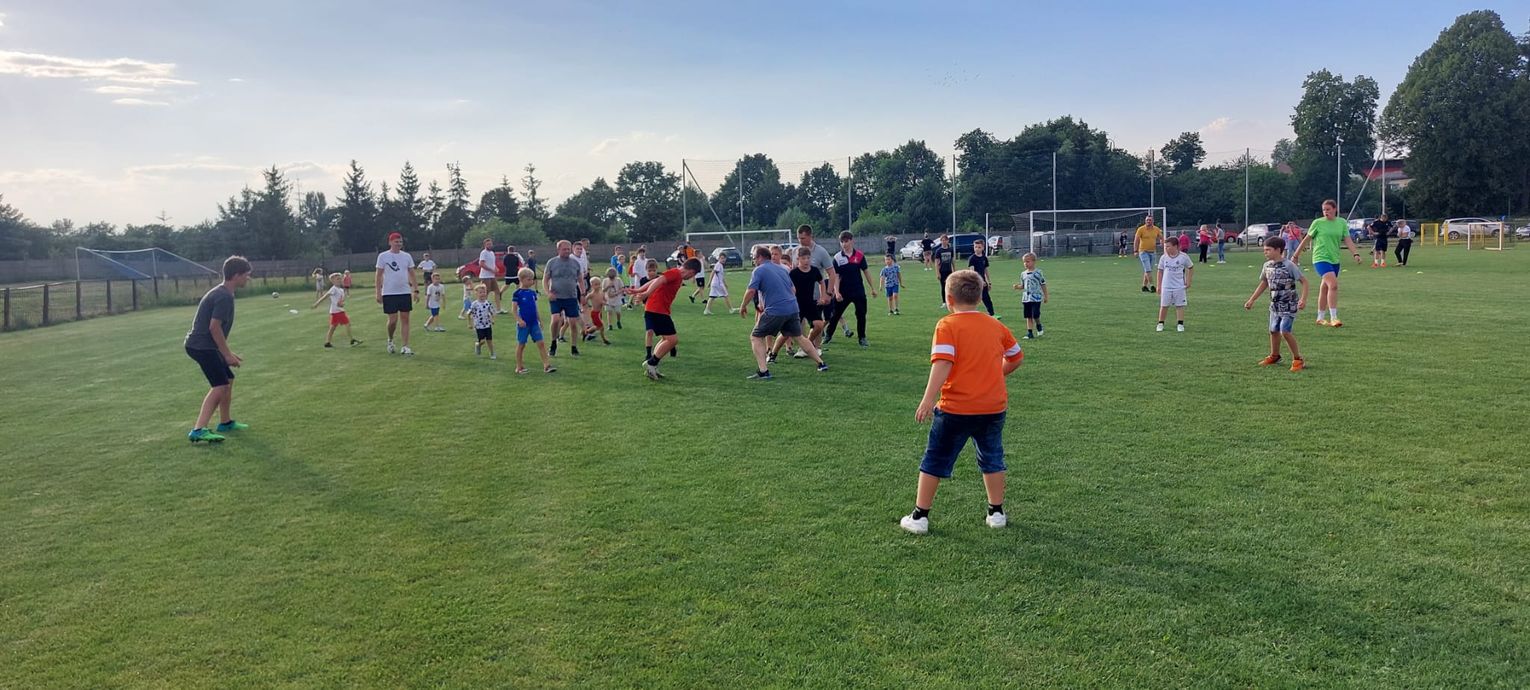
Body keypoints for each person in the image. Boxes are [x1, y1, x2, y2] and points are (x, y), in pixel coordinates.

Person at [899, 269, 1024, 535]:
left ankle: (920, 516)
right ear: (979, 297)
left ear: (949, 298)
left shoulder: (947, 325)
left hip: (955, 408)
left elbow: (943, 363)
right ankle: (996, 512)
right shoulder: (995, 325)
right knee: (992, 457)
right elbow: (1016, 357)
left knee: (935, 458)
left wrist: (927, 399)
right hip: (992, 407)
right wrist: (995, 374)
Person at [185, 256, 254, 443]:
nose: (248, 278)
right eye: (246, 275)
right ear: (236, 275)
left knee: (228, 379)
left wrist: (227, 353)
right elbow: (214, 328)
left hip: (205, 345)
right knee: (220, 385)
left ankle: (225, 422)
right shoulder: (223, 296)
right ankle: (198, 430)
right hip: (201, 346)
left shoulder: (224, 293)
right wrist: (226, 355)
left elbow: (217, 331)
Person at [739, 245, 828, 379]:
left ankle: (763, 371)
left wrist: (743, 306)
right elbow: (793, 290)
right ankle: (821, 363)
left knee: (756, 336)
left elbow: (751, 290)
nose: (754, 260)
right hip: (793, 308)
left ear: (760, 257)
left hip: (775, 309)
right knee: (799, 337)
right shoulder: (782, 269)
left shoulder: (759, 270)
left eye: (754, 257)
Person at [1290, 199, 1363, 328]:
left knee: (1325, 288)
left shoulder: (1341, 222)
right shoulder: (1317, 223)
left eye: (1328, 209)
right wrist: (1295, 255)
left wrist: (1355, 254)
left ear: (1335, 209)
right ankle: (1334, 318)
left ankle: (1320, 318)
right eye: (1324, 210)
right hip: (1320, 258)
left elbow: (1347, 240)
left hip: (1334, 259)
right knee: (1333, 285)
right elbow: (1306, 239)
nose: (1326, 212)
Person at [628, 257, 703, 381]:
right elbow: (659, 280)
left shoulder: (677, 275)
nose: (691, 278)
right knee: (672, 340)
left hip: (658, 310)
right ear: (691, 271)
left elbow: (654, 280)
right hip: (657, 309)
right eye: (693, 275)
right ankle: (651, 363)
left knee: (666, 339)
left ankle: (652, 365)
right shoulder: (675, 273)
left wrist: (639, 290)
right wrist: (646, 294)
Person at [1243, 236, 1309, 372]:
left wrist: (1303, 299)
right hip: (1275, 305)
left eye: (1268, 250)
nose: (1265, 252)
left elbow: (1304, 282)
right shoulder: (1267, 266)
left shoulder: (1289, 265)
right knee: (1273, 330)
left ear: (1278, 250)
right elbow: (1264, 283)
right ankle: (1275, 356)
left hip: (1289, 305)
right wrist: (1252, 299)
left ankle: (1298, 359)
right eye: (1264, 250)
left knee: (1285, 331)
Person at [773, 247, 829, 360]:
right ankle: (773, 354)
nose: (806, 260)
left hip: (810, 304)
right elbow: (787, 288)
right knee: (787, 333)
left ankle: (806, 346)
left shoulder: (814, 271)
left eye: (808, 258)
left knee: (819, 325)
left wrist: (823, 296)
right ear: (798, 259)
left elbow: (821, 282)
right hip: (795, 305)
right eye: (803, 258)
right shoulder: (794, 273)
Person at [824, 231, 877, 348]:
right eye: (842, 242)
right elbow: (836, 276)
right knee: (836, 314)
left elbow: (866, 272)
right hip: (843, 292)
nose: (844, 244)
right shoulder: (837, 258)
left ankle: (862, 338)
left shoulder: (859, 255)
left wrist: (872, 288)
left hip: (858, 290)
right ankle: (828, 335)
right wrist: (837, 292)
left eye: (846, 241)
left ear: (852, 241)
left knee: (861, 314)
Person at [375, 232, 418, 355]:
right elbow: (378, 275)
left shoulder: (406, 256)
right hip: (389, 292)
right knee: (393, 320)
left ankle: (405, 346)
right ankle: (390, 339)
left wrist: (415, 290)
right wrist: (378, 292)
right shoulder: (383, 256)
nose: (399, 244)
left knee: (405, 319)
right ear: (390, 242)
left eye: (400, 242)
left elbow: (412, 273)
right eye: (396, 242)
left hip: (404, 291)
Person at [796, 225, 837, 348]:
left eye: (803, 238)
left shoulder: (821, 252)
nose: (800, 241)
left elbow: (832, 273)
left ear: (810, 236)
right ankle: (803, 347)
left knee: (816, 324)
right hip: (798, 296)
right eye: (798, 238)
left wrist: (828, 293)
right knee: (800, 323)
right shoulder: (795, 251)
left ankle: (816, 347)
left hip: (816, 296)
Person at [510, 268, 555, 374]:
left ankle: (546, 365)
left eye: (532, 279)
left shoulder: (532, 293)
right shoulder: (517, 293)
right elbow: (514, 310)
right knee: (521, 344)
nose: (532, 282)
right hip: (524, 324)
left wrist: (539, 320)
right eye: (529, 279)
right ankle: (519, 367)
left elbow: (535, 308)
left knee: (541, 343)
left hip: (534, 323)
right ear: (522, 279)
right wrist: (519, 320)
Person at [543, 240, 583, 357]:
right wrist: (548, 293)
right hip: (556, 297)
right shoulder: (552, 262)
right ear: (558, 250)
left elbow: (580, 279)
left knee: (573, 323)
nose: (566, 251)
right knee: (555, 319)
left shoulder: (575, 263)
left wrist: (583, 294)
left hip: (571, 297)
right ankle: (553, 343)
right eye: (564, 249)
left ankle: (574, 347)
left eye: (568, 249)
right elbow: (545, 279)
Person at [311, 272, 360, 348]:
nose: (339, 280)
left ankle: (327, 342)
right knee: (347, 324)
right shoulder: (333, 289)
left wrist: (341, 304)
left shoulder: (341, 290)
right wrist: (316, 304)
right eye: (337, 279)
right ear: (333, 281)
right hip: (337, 311)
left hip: (337, 310)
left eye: (340, 279)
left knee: (333, 327)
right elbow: (325, 297)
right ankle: (352, 340)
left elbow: (339, 301)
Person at [1156, 237, 1193, 332]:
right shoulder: (1163, 257)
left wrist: (1188, 281)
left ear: (1175, 246)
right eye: (1165, 246)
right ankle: (1160, 323)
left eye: (1168, 246)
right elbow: (1160, 271)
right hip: (1166, 286)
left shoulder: (1183, 257)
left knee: (1180, 305)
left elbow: (1190, 267)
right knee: (1164, 305)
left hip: (1179, 286)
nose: (1166, 248)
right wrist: (1159, 285)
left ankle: (1180, 324)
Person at [1013, 252, 1047, 339]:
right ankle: (1030, 333)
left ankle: (1038, 325)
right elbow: (1023, 286)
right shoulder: (1023, 274)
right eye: (1024, 262)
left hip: (1036, 298)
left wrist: (1046, 296)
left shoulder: (1038, 272)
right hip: (1026, 298)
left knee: (1035, 315)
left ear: (1034, 262)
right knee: (1028, 316)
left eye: (1028, 261)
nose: (1025, 264)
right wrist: (1017, 287)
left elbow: (1043, 284)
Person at [966, 237, 997, 317]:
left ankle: (991, 314)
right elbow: (972, 272)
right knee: (973, 299)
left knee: (986, 298)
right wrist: (979, 281)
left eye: (979, 247)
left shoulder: (984, 258)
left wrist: (988, 282)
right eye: (975, 247)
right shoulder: (972, 258)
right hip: (975, 282)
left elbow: (985, 270)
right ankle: (969, 313)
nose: (977, 249)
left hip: (983, 282)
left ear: (983, 248)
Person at [1133, 215, 1163, 292]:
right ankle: (1152, 286)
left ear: (1153, 221)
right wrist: (1135, 251)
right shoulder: (1141, 229)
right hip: (1143, 252)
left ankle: (1144, 286)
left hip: (1152, 252)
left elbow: (1161, 238)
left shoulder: (1156, 229)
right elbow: (1136, 240)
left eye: (1150, 220)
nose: (1148, 221)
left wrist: (1162, 242)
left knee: (1148, 270)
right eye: (1147, 220)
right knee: (1148, 269)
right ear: (1145, 221)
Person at [467, 284, 497, 360]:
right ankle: (478, 345)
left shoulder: (488, 303)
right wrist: (469, 323)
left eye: (484, 292)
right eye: (480, 292)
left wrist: (493, 319)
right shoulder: (474, 304)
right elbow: (469, 314)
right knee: (482, 341)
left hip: (487, 325)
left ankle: (492, 353)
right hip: (478, 325)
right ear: (476, 294)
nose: (482, 294)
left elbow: (492, 312)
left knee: (489, 340)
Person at [474, 237, 502, 313]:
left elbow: (492, 264)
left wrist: (496, 268)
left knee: (497, 291)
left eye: (490, 244)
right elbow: (481, 264)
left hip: (492, 276)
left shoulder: (492, 253)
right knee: (485, 292)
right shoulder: (483, 253)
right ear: (485, 245)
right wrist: (491, 270)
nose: (489, 245)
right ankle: (482, 307)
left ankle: (498, 309)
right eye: (488, 244)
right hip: (485, 276)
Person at [584, 276, 611, 345]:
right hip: (595, 313)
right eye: (596, 284)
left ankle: (586, 332)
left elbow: (604, 299)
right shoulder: (592, 294)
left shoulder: (601, 293)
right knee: (601, 327)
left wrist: (604, 302)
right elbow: (585, 300)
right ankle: (604, 340)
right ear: (592, 285)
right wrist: (585, 306)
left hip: (599, 312)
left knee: (598, 326)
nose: (598, 286)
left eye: (599, 284)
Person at [934, 234, 955, 306]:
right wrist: (938, 273)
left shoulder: (950, 250)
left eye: (945, 240)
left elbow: (952, 261)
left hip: (949, 270)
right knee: (943, 286)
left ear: (948, 241)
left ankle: (950, 301)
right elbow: (936, 263)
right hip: (942, 271)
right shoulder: (938, 251)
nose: (944, 242)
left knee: (950, 287)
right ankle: (944, 302)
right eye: (942, 240)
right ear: (941, 241)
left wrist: (954, 270)